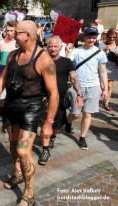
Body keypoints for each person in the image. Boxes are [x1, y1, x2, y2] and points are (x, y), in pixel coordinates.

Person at [0, 20, 59, 206]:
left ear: (27, 35)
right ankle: (18, 173)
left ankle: (29, 194)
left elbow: (54, 94)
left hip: (31, 108)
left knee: (23, 150)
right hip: (12, 105)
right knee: (12, 143)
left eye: (15, 32)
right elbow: (2, 80)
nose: (11, 34)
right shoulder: (12, 55)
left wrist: (49, 122)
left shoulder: (44, 60)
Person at [38, 36, 83, 165]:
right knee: (45, 123)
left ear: (60, 47)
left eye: (55, 46)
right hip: (43, 98)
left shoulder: (67, 62)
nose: (52, 49)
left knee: (57, 124)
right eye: (50, 46)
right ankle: (45, 149)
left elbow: (74, 78)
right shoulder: (42, 60)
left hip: (60, 99)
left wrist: (79, 94)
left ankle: (52, 136)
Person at [65, 27, 108, 150]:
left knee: (87, 114)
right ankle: (68, 121)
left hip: (94, 86)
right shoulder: (77, 51)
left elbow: (103, 72)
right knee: (75, 113)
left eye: (94, 37)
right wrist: (67, 51)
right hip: (77, 87)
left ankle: (82, 137)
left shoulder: (100, 53)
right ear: (84, 37)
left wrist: (104, 89)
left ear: (96, 38)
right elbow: (67, 63)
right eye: (89, 37)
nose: (91, 39)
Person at [0, 21, 17, 121]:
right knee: (1, 96)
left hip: (15, 71)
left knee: (13, 95)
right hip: (2, 69)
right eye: (7, 30)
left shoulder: (19, 43)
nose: (9, 33)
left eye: (11, 31)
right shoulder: (1, 43)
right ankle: (2, 109)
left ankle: (8, 112)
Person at [98, 28, 118, 111]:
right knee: (102, 85)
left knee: (110, 86)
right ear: (107, 37)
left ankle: (106, 102)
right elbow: (97, 54)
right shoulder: (102, 44)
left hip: (113, 67)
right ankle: (104, 92)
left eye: (114, 37)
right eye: (110, 37)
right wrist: (104, 50)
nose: (112, 39)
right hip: (103, 67)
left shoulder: (117, 46)